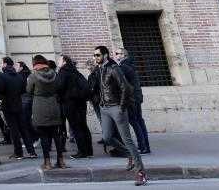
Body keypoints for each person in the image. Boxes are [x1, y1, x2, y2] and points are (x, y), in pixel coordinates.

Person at [92, 45, 148, 186]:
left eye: (98, 55)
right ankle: (130, 155)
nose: (95, 58)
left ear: (105, 55)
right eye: (94, 55)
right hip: (104, 108)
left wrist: (122, 107)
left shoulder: (113, 68)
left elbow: (126, 88)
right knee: (107, 137)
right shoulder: (99, 69)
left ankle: (141, 172)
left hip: (117, 107)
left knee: (127, 140)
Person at [27, 55, 66, 170]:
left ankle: (47, 163)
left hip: (40, 107)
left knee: (44, 135)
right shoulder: (54, 74)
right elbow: (59, 88)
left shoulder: (33, 76)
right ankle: (61, 161)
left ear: (35, 63)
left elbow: (28, 90)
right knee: (56, 135)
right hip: (54, 105)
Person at [56, 55, 93, 159]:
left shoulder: (63, 72)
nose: (58, 61)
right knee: (83, 126)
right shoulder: (75, 71)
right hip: (81, 102)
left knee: (76, 127)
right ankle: (89, 151)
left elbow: (59, 87)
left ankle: (82, 152)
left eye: (60, 60)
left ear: (64, 62)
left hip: (70, 103)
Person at [1, 57, 37, 159]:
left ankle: (18, 152)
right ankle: (31, 152)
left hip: (8, 105)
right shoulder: (19, 76)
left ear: (5, 64)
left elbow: (0, 89)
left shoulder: (3, 76)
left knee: (14, 130)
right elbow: (23, 90)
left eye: (2, 63)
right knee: (23, 129)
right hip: (18, 104)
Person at [117, 48, 151, 155]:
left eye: (117, 53)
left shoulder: (124, 67)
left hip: (132, 98)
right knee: (139, 121)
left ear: (123, 55)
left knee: (135, 122)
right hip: (137, 96)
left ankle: (142, 147)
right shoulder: (131, 65)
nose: (115, 55)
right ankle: (145, 146)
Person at [17, 61, 38, 145]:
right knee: (26, 121)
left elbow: (27, 89)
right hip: (25, 99)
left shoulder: (23, 76)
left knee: (26, 121)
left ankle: (34, 138)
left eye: (16, 65)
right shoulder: (25, 75)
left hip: (26, 100)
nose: (15, 67)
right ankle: (33, 138)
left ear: (21, 67)